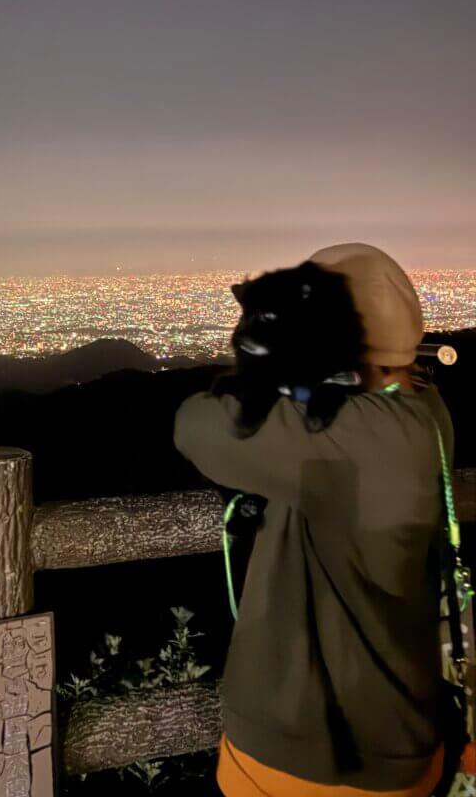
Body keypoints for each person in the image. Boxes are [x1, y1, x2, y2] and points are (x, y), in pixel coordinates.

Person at [173, 242, 454, 797]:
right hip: (406, 740)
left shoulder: (350, 437)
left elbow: (196, 425)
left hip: (304, 757)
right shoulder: (427, 412)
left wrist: (270, 363)